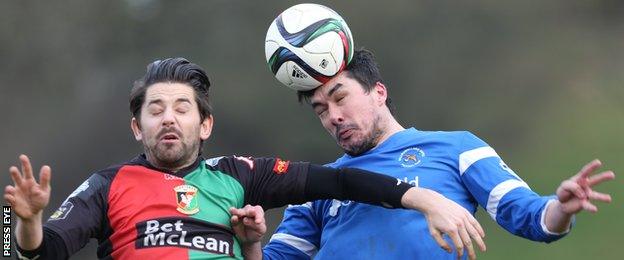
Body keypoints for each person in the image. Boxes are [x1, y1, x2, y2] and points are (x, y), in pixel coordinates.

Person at [3, 57, 486, 259]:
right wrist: (17, 222)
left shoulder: (239, 175)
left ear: (205, 125)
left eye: (181, 108)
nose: (168, 119)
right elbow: (30, 253)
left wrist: (422, 198)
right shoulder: (108, 184)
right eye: (155, 110)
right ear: (138, 127)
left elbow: (339, 183)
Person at [261, 49, 616, 259]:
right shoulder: (317, 185)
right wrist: (244, 237)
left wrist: (561, 207)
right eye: (320, 110)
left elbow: (528, 216)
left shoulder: (456, 148)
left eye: (340, 98)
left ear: (379, 92)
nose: (333, 116)